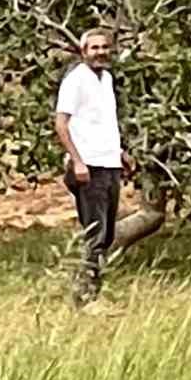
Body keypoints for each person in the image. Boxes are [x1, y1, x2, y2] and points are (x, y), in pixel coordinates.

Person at [53, 27, 135, 310]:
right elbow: (61, 123)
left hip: (109, 163)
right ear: (83, 51)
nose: (100, 52)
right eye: (94, 48)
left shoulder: (107, 79)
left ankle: (92, 292)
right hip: (89, 167)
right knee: (95, 233)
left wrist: (120, 152)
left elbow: (102, 122)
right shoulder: (76, 80)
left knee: (107, 234)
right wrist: (77, 160)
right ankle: (85, 299)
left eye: (104, 47)